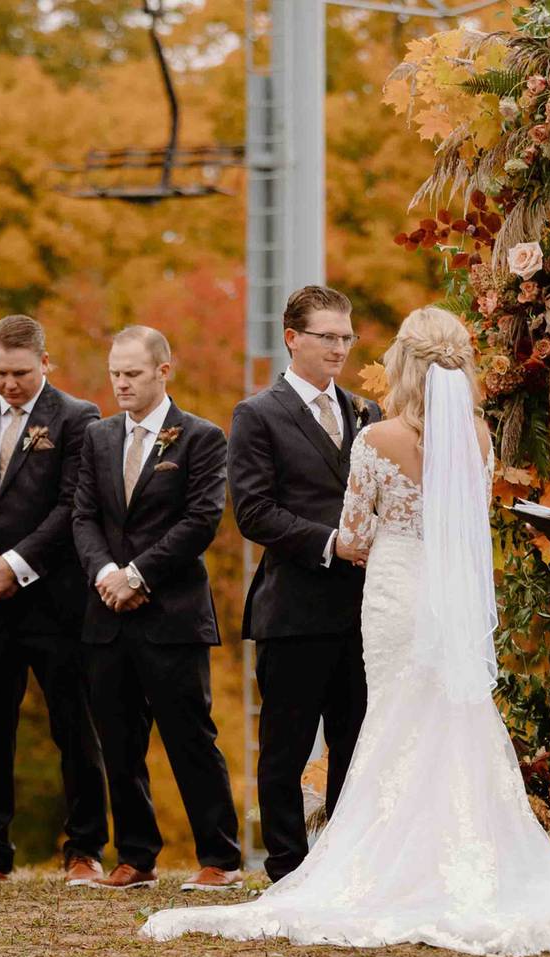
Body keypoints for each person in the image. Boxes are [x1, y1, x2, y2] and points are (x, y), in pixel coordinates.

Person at [138, 307, 550, 956]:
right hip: (446, 593)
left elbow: (357, 534)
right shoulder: (478, 436)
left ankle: (387, 864)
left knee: (393, 716)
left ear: (405, 364)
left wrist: (377, 532)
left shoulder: (375, 438)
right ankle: (460, 862)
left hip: (393, 589)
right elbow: (468, 524)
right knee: (451, 717)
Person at [0, 314, 109, 886]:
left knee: (74, 726)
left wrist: (15, 564)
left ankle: (84, 847)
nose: (9, 384)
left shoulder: (77, 418)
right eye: (0, 373)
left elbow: (73, 504)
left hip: (54, 601)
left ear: (45, 364)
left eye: (21, 373)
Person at [71, 325, 241, 891]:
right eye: (115, 373)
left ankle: (220, 858)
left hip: (171, 614)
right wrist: (105, 576)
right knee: (118, 741)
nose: (120, 383)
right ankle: (136, 857)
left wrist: (138, 575)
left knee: (190, 738)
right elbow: (84, 518)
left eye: (133, 373)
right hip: (107, 613)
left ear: (163, 371)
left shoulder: (200, 437)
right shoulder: (96, 438)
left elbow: (200, 521)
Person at [226, 285, 378, 883]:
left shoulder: (368, 413)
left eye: (347, 337)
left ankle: (341, 864)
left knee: (355, 743)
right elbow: (254, 512)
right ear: (293, 338)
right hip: (292, 609)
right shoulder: (257, 414)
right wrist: (331, 542)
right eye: (328, 337)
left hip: (363, 610)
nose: (340, 348)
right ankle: (286, 866)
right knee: (285, 748)